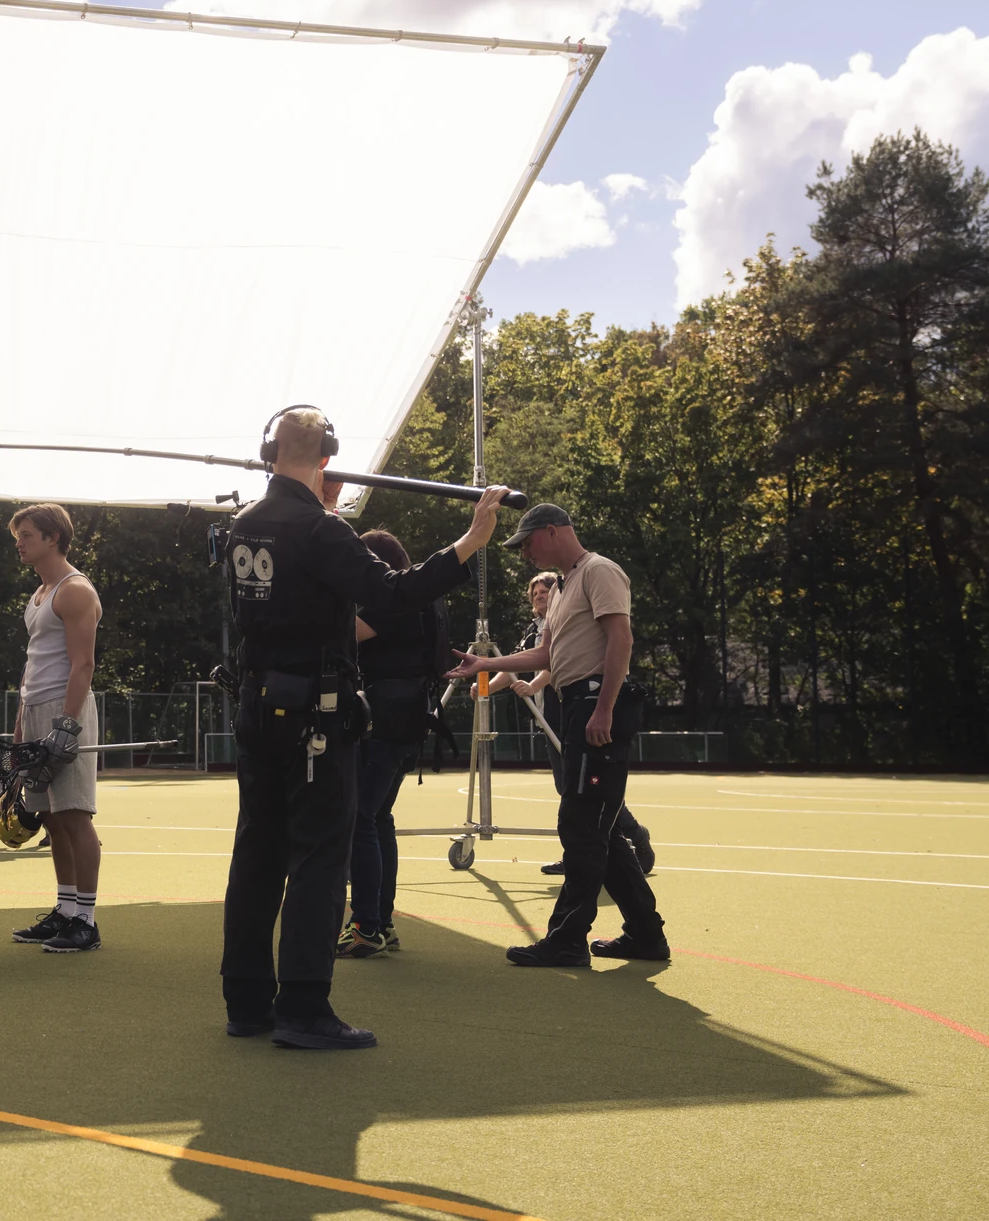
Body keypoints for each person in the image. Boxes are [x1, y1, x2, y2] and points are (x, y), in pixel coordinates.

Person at [222, 408, 509, 1048]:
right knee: (321, 858)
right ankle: (302, 1007)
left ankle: (246, 1002)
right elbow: (392, 593)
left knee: (257, 855)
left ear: (270, 449)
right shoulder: (320, 530)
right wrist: (468, 544)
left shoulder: (244, 525)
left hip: (257, 707)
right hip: (316, 716)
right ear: (326, 455)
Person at [448, 504, 669, 966]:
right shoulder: (567, 584)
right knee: (597, 830)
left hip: (593, 704)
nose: (524, 552)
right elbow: (547, 653)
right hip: (578, 706)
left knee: (580, 826)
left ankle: (567, 939)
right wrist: (487, 665)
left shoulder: (598, 571)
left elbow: (620, 640)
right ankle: (646, 935)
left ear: (552, 532)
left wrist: (604, 708)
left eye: (528, 542)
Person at [480, 570, 655, 878]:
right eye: (534, 594)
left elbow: (552, 661)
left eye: (544, 592)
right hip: (551, 718)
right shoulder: (535, 628)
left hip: (572, 710)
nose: (539, 597)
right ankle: (580, 854)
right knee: (568, 788)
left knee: (587, 787)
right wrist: (482, 687)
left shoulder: (566, 621)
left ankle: (634, 838)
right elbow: (519, 661)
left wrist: (533, 686)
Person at [338, 529, 449, 960]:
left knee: (361, 818)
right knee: (379, 818)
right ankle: (380, 922)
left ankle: (367, 926)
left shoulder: (392, 597)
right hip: (412, 718)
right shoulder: (426, 597)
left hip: (384, 718)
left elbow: (347, 634)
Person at [5, 503, 106, 954]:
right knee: (49, 816)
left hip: (67, 711)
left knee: (75, 815)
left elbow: (83, 664)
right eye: (18, 535)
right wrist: (21, 722)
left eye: (26, 534)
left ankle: (86, 919)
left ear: (52, 538)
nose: (19, 543)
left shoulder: (74, 589)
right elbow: (35, 664)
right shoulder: (40, 593)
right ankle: (65, 910)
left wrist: (66, 725)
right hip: (35, 710)